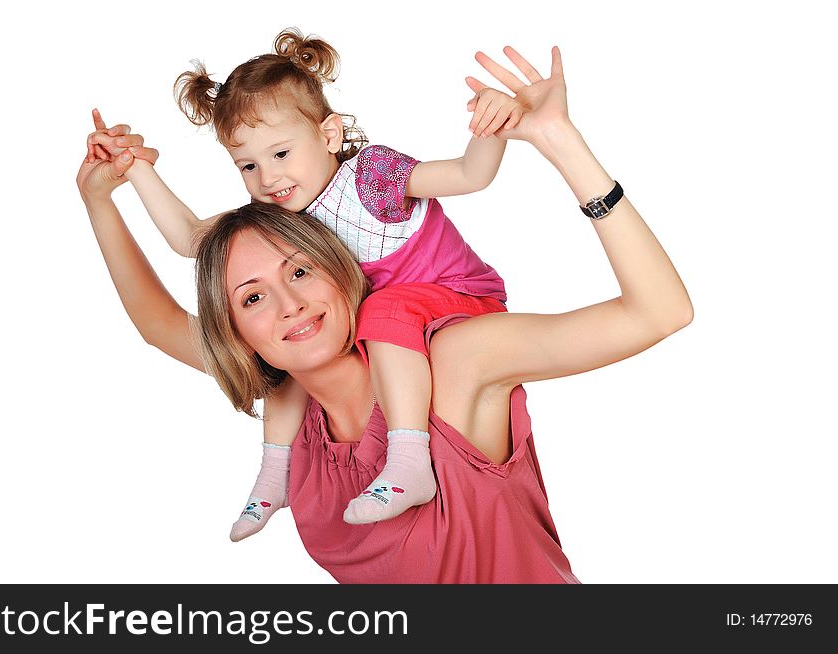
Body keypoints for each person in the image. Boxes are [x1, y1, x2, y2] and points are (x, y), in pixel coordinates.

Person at [77, 45, 692, 583]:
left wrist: (560, 142)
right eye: (253, 297)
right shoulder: (293, 410)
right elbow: (159, 318)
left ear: (344, 272)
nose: (287, 304)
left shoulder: (454, 359)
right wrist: (105, 195)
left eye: (298, 272)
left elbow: (660, 312)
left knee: (395, 310)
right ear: (238, 330)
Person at [86, 28, 526, 540]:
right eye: (247, 165)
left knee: (382, 312)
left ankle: (409, 461)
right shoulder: (283, 216)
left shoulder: (370, 179)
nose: (267, 178)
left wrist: (492, 124)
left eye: (280, 154)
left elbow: (470, 175)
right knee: (285, 359)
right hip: (392, 324)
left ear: (329, 136)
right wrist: (135, 170)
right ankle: (277, 474)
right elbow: (189, 239)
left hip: (457, 299)